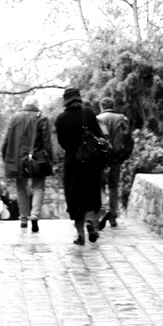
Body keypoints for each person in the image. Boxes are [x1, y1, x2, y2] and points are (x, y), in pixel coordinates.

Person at [55, 86, 107, 245]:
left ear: (66, 101)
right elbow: (99, 134)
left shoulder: (61, 119)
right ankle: (91, 221)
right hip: (91, 162)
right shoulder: (89, 113)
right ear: (79, 98)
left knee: (75, 198)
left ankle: (80, 235)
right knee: (91, 194)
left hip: (73, 163)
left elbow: (63, 143)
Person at [1, 95, 53, 232]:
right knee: (39, 187)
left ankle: (23, 219)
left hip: (18, 158)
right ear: (36, 105)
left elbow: (6, 139)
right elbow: (47, 141)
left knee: (21, 188)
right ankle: (35, 215)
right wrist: (50, 158)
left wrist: (5, 155)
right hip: (37, 158)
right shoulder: (41, 118)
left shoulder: (14, 118)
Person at [97, 97, 133, 229]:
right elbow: (128, 139)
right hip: (116, 158)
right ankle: (113, 217)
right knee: (113, 187)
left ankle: (104, 208)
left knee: (100, 186)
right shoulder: (122, 119)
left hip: (101, 159)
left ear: (101, 106)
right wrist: (123, 156)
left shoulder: (97, 119)